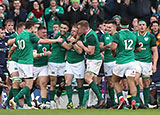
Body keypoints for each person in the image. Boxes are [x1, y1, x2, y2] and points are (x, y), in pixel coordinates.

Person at [8, 20, 63, 109]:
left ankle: (28, 105)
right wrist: (56, 40)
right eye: (35, 27)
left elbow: (13, 47)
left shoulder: (20, 35)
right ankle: (15, 99)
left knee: (27, 84)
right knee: (29, 85)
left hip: (20, 63)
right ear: (32, 27)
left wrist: (9, 55)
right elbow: (42, 41)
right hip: (27, 63)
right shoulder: (30, 35)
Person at [111, 18, 141, 110]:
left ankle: (121, 98)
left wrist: (114, 54)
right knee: (131, 82)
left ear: (119, 25)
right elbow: (138, 49)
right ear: (129, 25)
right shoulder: (133, 35)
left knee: (115, 81)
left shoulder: (117, 34)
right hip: (131, 61)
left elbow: (113, 47)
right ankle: (134, 100)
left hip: (121, 61)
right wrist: (132, 50)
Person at [77, 20, 104, 108]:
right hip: (92, 60)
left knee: (87, 78)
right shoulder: (87, 35)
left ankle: (100, 99)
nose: (78, 30)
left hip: (94, 60)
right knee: (93, 80)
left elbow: (91, 52)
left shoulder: (91, 36)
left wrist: (81, 45)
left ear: (84, 27)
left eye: (79, 28)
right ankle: (96, 101)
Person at [48, 21, 75, 109]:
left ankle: (57, 96)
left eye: (65, 28)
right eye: (62, 28)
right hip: (54, 61)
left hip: (63, 62)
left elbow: (70, 39)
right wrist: (75, 41)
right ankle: (52, 103)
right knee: (53, 82)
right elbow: (67, 47)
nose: (62, 30)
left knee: (64, 83)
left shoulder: (67, 35)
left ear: (68, 29)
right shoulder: (58, 36)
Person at [134, 20, 158, 109]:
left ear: (146, 26)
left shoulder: (150, 36)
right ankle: (137, 101)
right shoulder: (134, 35)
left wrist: (154, 64)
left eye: (143, 25)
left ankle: (146, 103)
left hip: (147, 62)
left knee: (146, 82)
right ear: (137, 26)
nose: (142, 26)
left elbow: (155, 51)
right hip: (136, 60)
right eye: (140, 25)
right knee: (135, 79)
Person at [3, 22, 25, 109]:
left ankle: (7, 102)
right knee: (16, 81)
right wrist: (19, 38)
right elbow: (8, 42)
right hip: (12, 62)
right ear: (19, 29)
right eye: (24, 30)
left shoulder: (25, 37)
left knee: (17, 83)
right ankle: (17, 103)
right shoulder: (14, 35)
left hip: (21, 62)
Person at [64, 24, 85, 109]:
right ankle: (70, 102)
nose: (72, 32)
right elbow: (67, 47)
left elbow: (80, 51)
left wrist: (73, 42)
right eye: (72, 30)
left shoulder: (81, 39)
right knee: (67, 82)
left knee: (80, 84)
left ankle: (80, 104)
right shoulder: (68, 37)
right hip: (69, 62)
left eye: (74, 31)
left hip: (79, 63)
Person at [33, 26, 51, 109]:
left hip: (44, 66)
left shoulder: (48, 42)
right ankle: (26, 103)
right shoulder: (34, 42)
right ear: (38, 33)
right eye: (43, 32)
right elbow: (34, 56)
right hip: (33, 66)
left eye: (46, 32)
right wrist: (44, 54)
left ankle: (43, 103)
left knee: (43, 83)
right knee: (28, 86)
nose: (45, 34)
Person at [99, 20, 117, 107]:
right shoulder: (104, 36)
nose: (107, 29)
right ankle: (113, 102)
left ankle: (120, 100)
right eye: (106, 27)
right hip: (107, 61)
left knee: (117, 81)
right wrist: (106, 46)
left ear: (114, 27)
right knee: (110, 83)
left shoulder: (118, 35)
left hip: (116, 61)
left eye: (109, 27)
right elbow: (100, 48)